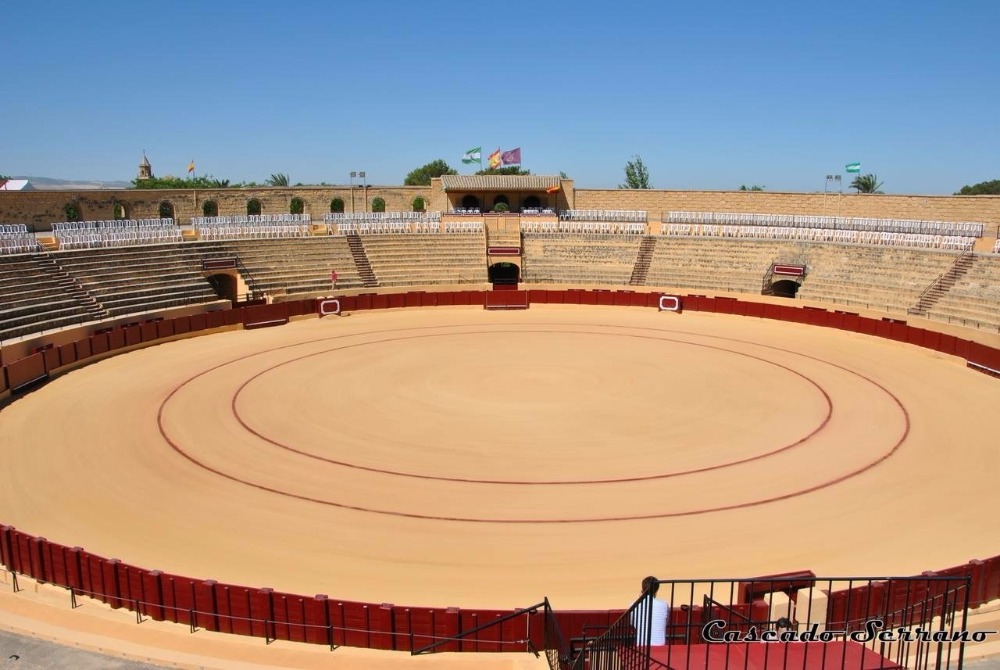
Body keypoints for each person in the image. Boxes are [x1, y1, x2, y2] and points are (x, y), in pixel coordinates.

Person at [630, 576, 669, 646]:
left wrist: (640, 598)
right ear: (656, 591)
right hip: (660, 646)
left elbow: (632, 623)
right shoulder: (664, 605)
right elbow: (665, 623)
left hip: (642, 646)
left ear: (642, 590)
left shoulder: (633, 605)